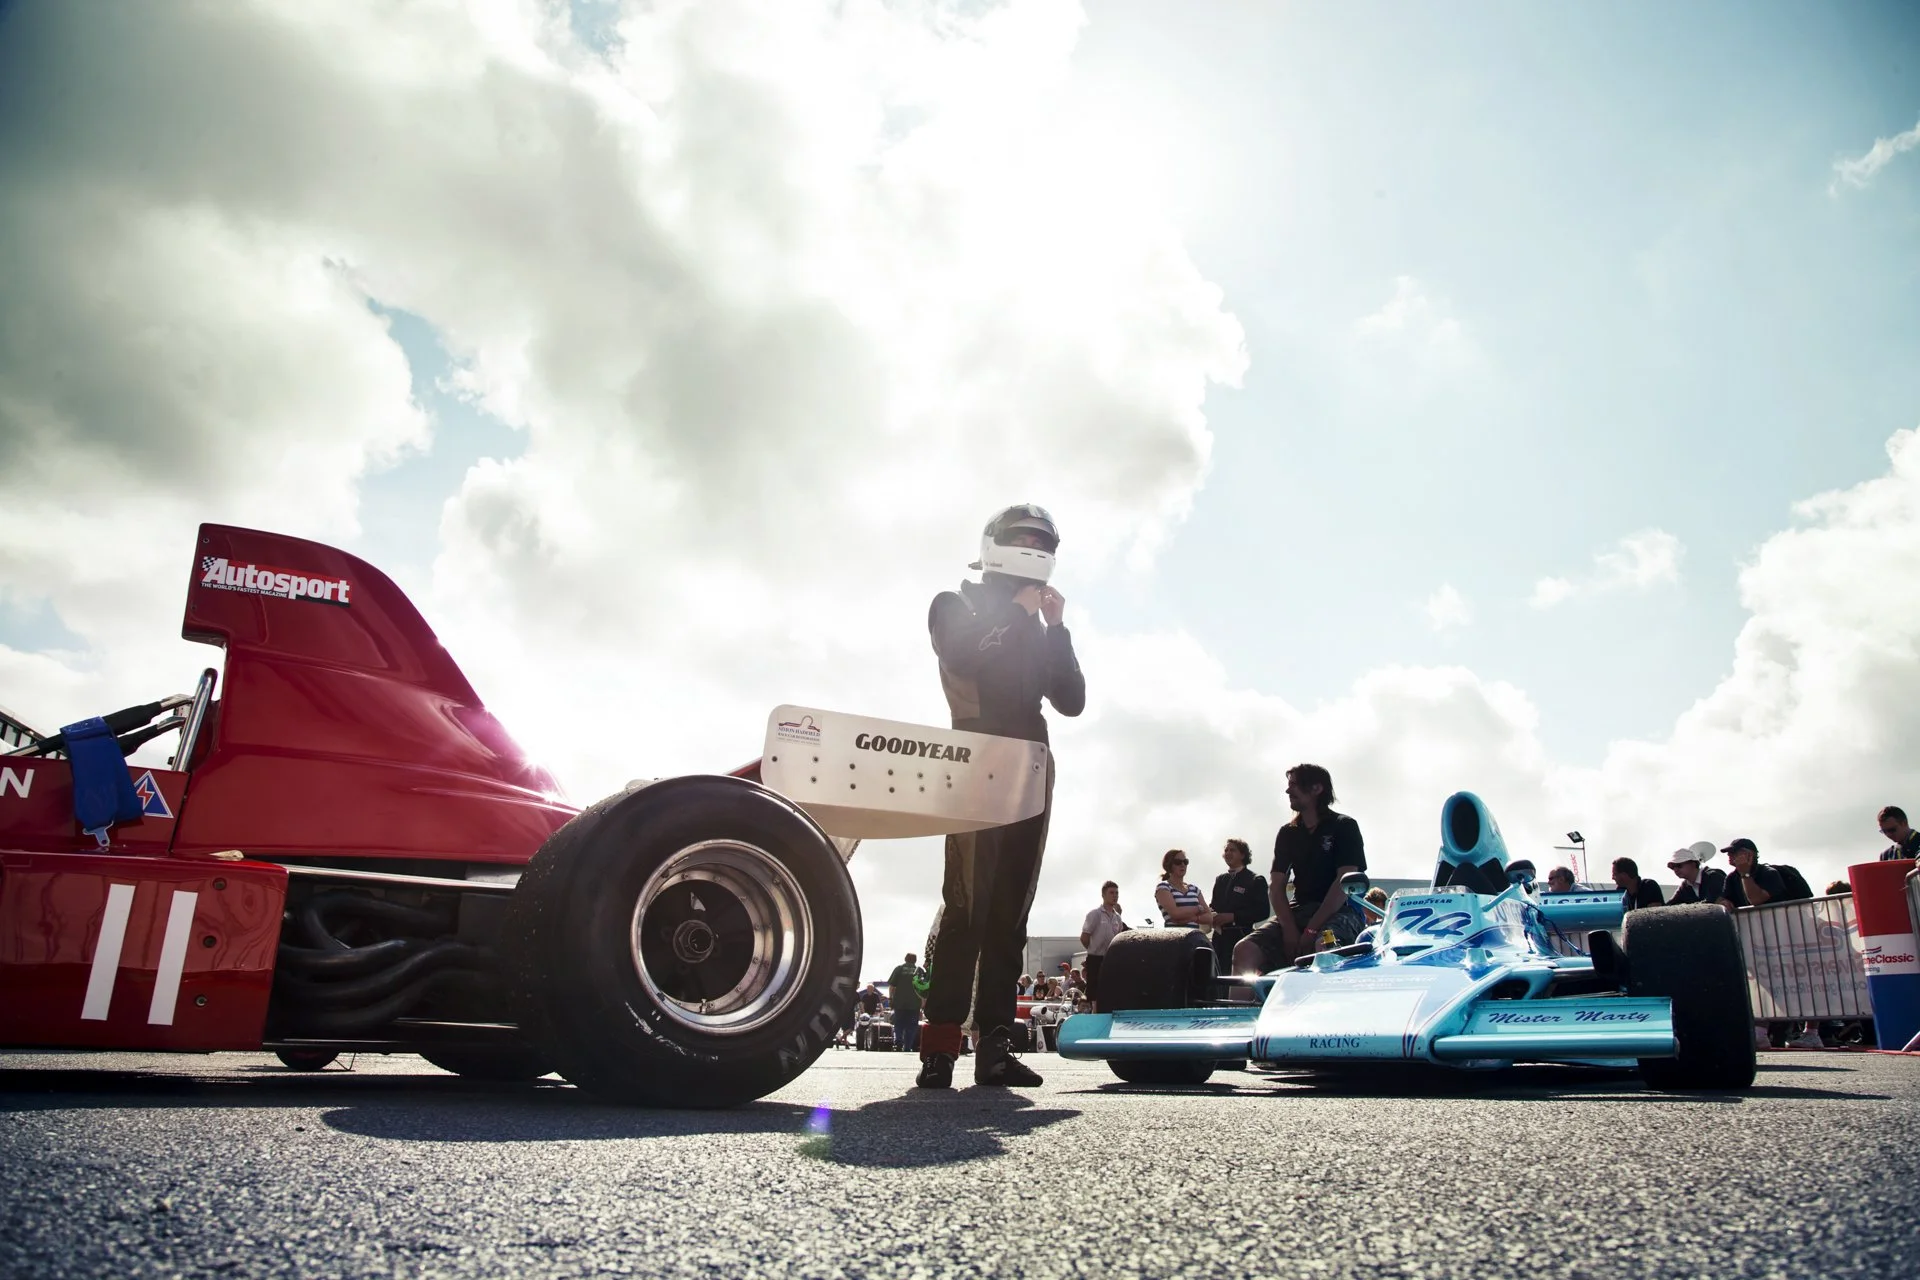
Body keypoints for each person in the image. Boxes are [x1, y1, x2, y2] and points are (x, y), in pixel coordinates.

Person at [917, 505, 1087, 1092]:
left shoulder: (1040, 625)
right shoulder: (953, 605)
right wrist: (1019, 617)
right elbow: (966, 657)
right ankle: (938, 1050)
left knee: (1010, 912)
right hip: (972, 756)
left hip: (1031, 763)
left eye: (1042, 542)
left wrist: (1057, 629)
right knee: (966, 905)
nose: (1034, 549)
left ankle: (993, 1048)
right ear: (996, 547)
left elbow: (1071, 700)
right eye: (1026, 540)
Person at [1234, 763, 1365, 975]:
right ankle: (1244, 1008)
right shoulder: (1288, 833)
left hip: (1341, 910)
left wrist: (1311, 930)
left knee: (1324, 948)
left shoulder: (1344, 826)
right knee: (1244, 949)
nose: (1288, 791)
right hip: (1299, 910)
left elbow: (1344, 883)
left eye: (1294, 785)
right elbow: (1276, 887)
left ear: (1316, 788)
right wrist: (1289, 930)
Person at [1208, 837, 1271, 973]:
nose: (1228, 853)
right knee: (1218, 976)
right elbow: (1214, 905)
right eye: (1226, 850)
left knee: (1239, 979)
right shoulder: (1221, 879)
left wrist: (1233, 917)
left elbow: (1263, 911)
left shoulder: (1255, 879)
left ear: (1243, 855)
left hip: (1241, 937)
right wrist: (1208, 912)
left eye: (1233, 850)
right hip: (1219, 939)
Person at [1079, 881, 1128, 1008]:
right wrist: (1092, 950)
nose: (1115, 896)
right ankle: (1095, 1014)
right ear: (1103, 895)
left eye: (1117, 893)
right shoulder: (1094, 914)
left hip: (1110, 959)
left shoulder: (1117, 918)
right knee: (1094, 993)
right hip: (1095, 958)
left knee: (1110, 989)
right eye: (1111, 893)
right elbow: (1084, 937)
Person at [1714, 838, 1786, 910]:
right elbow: (1721, 899)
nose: (1729, 854)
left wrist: (1745, 873)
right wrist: (1723, 903)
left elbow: (1755, 900)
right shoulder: (1731, 878)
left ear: (1749, 854)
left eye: (1734, 852)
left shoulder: (1769, 873)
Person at [1155, 849, 1215, 928]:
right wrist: (1198, 909)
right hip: (1174, 937)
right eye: (1178, 862)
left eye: (1185, 862)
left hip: (1194, 936)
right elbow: (1175, 914)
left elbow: (1209, 918)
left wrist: (1195, 918)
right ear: (1169, 865)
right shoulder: (1163, 888)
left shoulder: (1195, 889)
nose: (1182, 865)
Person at [887, 952, 925, 1053]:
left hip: (900, 1002)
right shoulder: (919, 971)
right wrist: (923, 1002)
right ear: (915, 960)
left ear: (905, 959)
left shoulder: (899, 969)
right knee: (912, 1026)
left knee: (899, 1023)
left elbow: (892, 986)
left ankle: (898, 1041)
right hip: (914, 1003)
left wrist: (890, 999)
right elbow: (923, 989)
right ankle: (908, 1046)